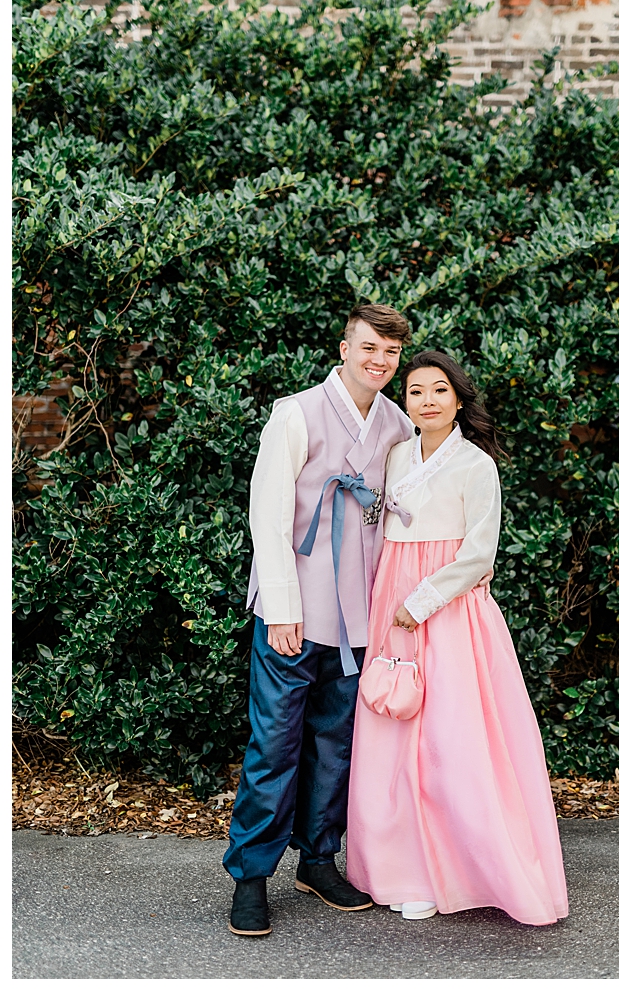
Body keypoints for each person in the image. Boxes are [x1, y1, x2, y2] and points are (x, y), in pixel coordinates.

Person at [346, 350, 568, 925]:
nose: (427, 401)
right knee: (393, 727)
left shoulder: (476, 465)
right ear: (406, 402)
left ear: (459, 400)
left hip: (444, 607)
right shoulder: (395, 457)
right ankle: (399, 868)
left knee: (450, 737)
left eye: (439, 390)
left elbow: (477, 555)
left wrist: (417, 604)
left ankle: (457, 871)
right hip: (390, 598)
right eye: (416, 391)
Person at [226, 304, 416, 936]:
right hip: (297, 613)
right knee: (275, 744)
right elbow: (268, 516)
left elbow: (402, 517)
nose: (379, 362)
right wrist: (280, 607)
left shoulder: (396, 424)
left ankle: (317, 858)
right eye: (368, 349)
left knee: (337, 745)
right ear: (344, 348)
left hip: (359, 618)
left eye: (389, 353)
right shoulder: (296, 413)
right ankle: (252, 875)